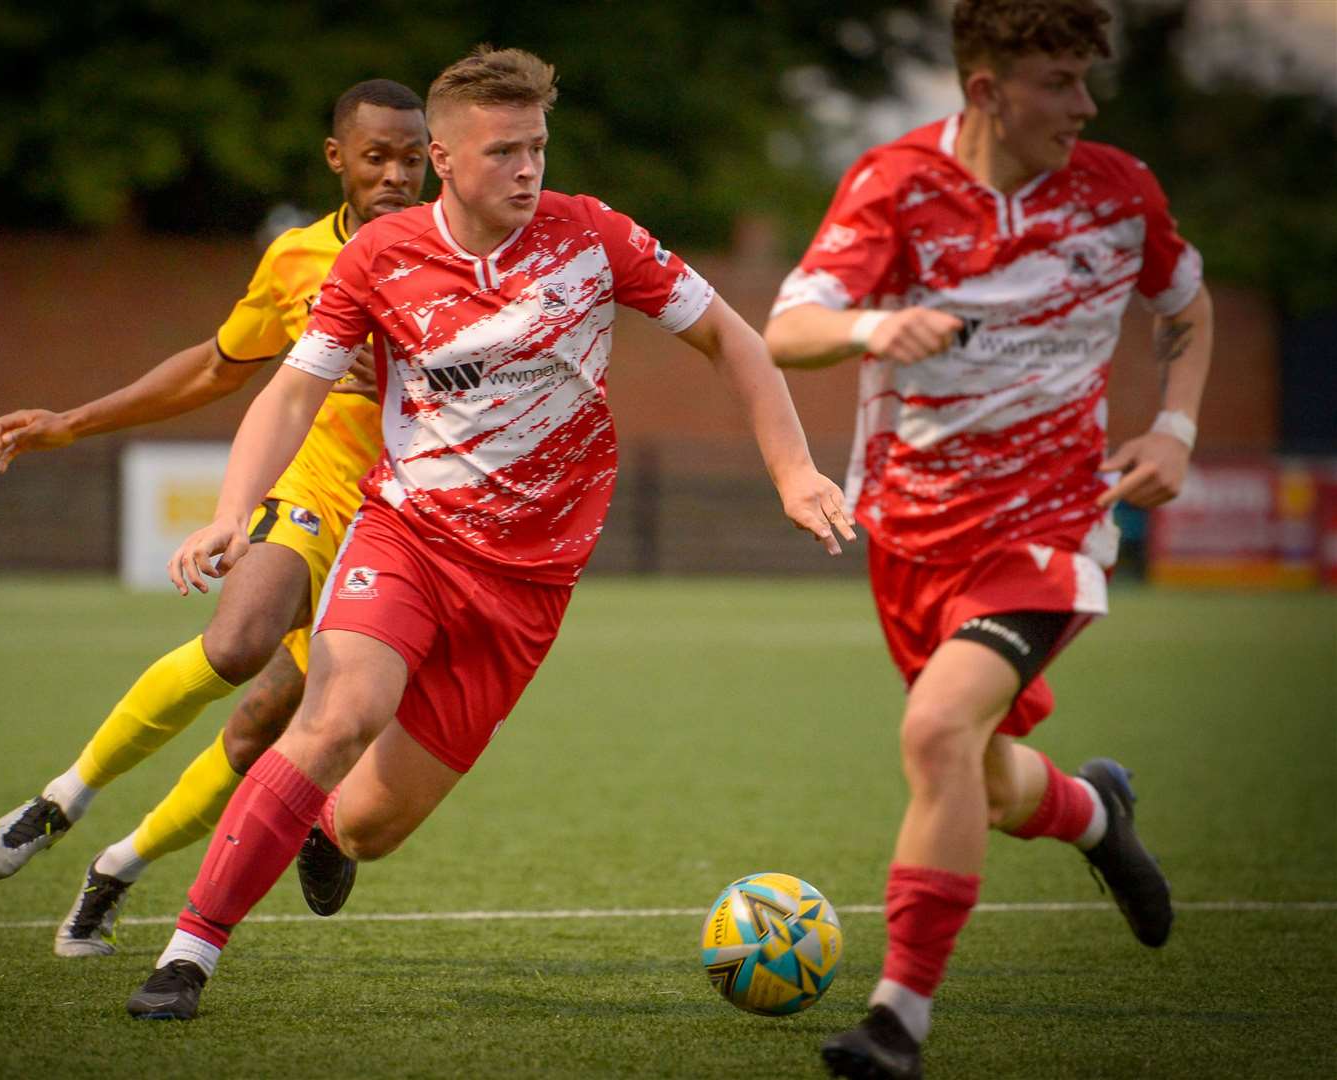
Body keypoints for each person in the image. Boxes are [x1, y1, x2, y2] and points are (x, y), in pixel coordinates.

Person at [123, 44, 853, 1021]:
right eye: (504, 151)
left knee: (375, 827)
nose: (526, 170)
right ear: (443, 158)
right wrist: (230, 512)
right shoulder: (378, 258)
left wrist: (793, 469)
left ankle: (325, 830)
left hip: (526, 590)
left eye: (537, 148)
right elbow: (291, 390)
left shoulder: (593, 239)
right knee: (336, 716)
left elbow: (734, 338)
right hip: (406, 539)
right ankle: (188, 954)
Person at [765, 1, 1213, 1076]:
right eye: (1058, 83)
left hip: (1051, 528)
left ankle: (897, 1022)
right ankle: (1096, 816)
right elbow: (788, 328)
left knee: (932, 737)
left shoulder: (1119, 192)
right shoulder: (893, 186)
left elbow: (1186, 308)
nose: (1084, 105)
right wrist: (876, 324)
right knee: (981, 770)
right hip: (913, 533)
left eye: (1083, 81)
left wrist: (1177, 426)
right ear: (984, 90)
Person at [0, 79, 430, 958]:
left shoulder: (459, 257)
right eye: (377, 158)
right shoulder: (296, 258)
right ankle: (62, 797)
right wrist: (72, 421)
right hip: (317, 489)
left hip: (406, 526)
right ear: (338, 159)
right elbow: (217, 368)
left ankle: (118, 868)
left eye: (413, 159)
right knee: (235, 641)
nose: (396, 176)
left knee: (262, 730)